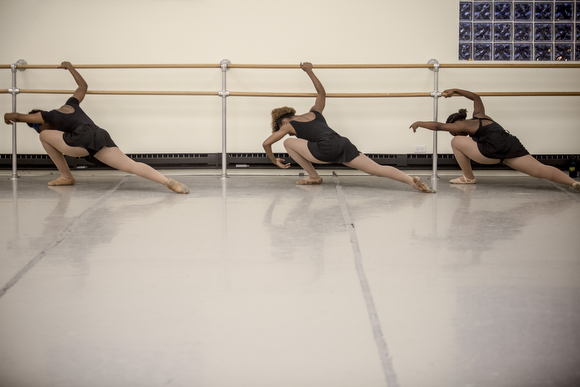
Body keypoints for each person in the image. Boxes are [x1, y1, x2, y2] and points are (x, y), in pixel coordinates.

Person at [4, 62, 189, 194]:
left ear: (40, 120)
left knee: (43, 138)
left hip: (79, 140)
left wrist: (6, 116)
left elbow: (17, 117)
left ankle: (66, 176)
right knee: (130, 165)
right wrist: (70, 67)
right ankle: (167, 182)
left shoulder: (49, 116)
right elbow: (82, 86)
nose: (41, 128)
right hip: (99, 135)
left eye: (38, 126)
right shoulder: (72, 104)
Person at [262, 62, 434, 193]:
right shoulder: (315, 112)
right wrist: (309, 71)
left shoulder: (288, 126)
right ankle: (412, 182)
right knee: (377, 169)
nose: (281, 132)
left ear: (282, 121)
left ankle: (314, 177)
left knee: (288, 143)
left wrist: (274, 160)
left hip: (325, 148)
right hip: (342, 143)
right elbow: (321, 93)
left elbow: (266, 144)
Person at [409, 88, 580, 191]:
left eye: (455, 131)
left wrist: (419, 123)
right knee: (540, 169)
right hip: (509, 145)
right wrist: (456, 91)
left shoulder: (462, 126)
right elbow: (476, 97)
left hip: (491, 150)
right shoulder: (481, 115)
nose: (461, 135)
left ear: (456, 124)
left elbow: (440, 126)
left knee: (455, 144)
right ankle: (573, 183)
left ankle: (468, 178)